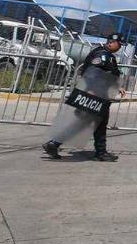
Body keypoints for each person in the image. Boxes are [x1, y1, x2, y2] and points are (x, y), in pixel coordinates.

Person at [42, 32, 124, 162]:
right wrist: (91, 90)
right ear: (111, 42)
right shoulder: (101, 55)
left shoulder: (107, 55)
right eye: (119, 44)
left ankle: (56, 144)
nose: (120, 47)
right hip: (94, 94)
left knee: (94, 123)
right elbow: (92, 74)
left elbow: (109, 74)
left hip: (100, 94)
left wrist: (117, 86)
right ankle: (55, 144)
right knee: (89, 123)